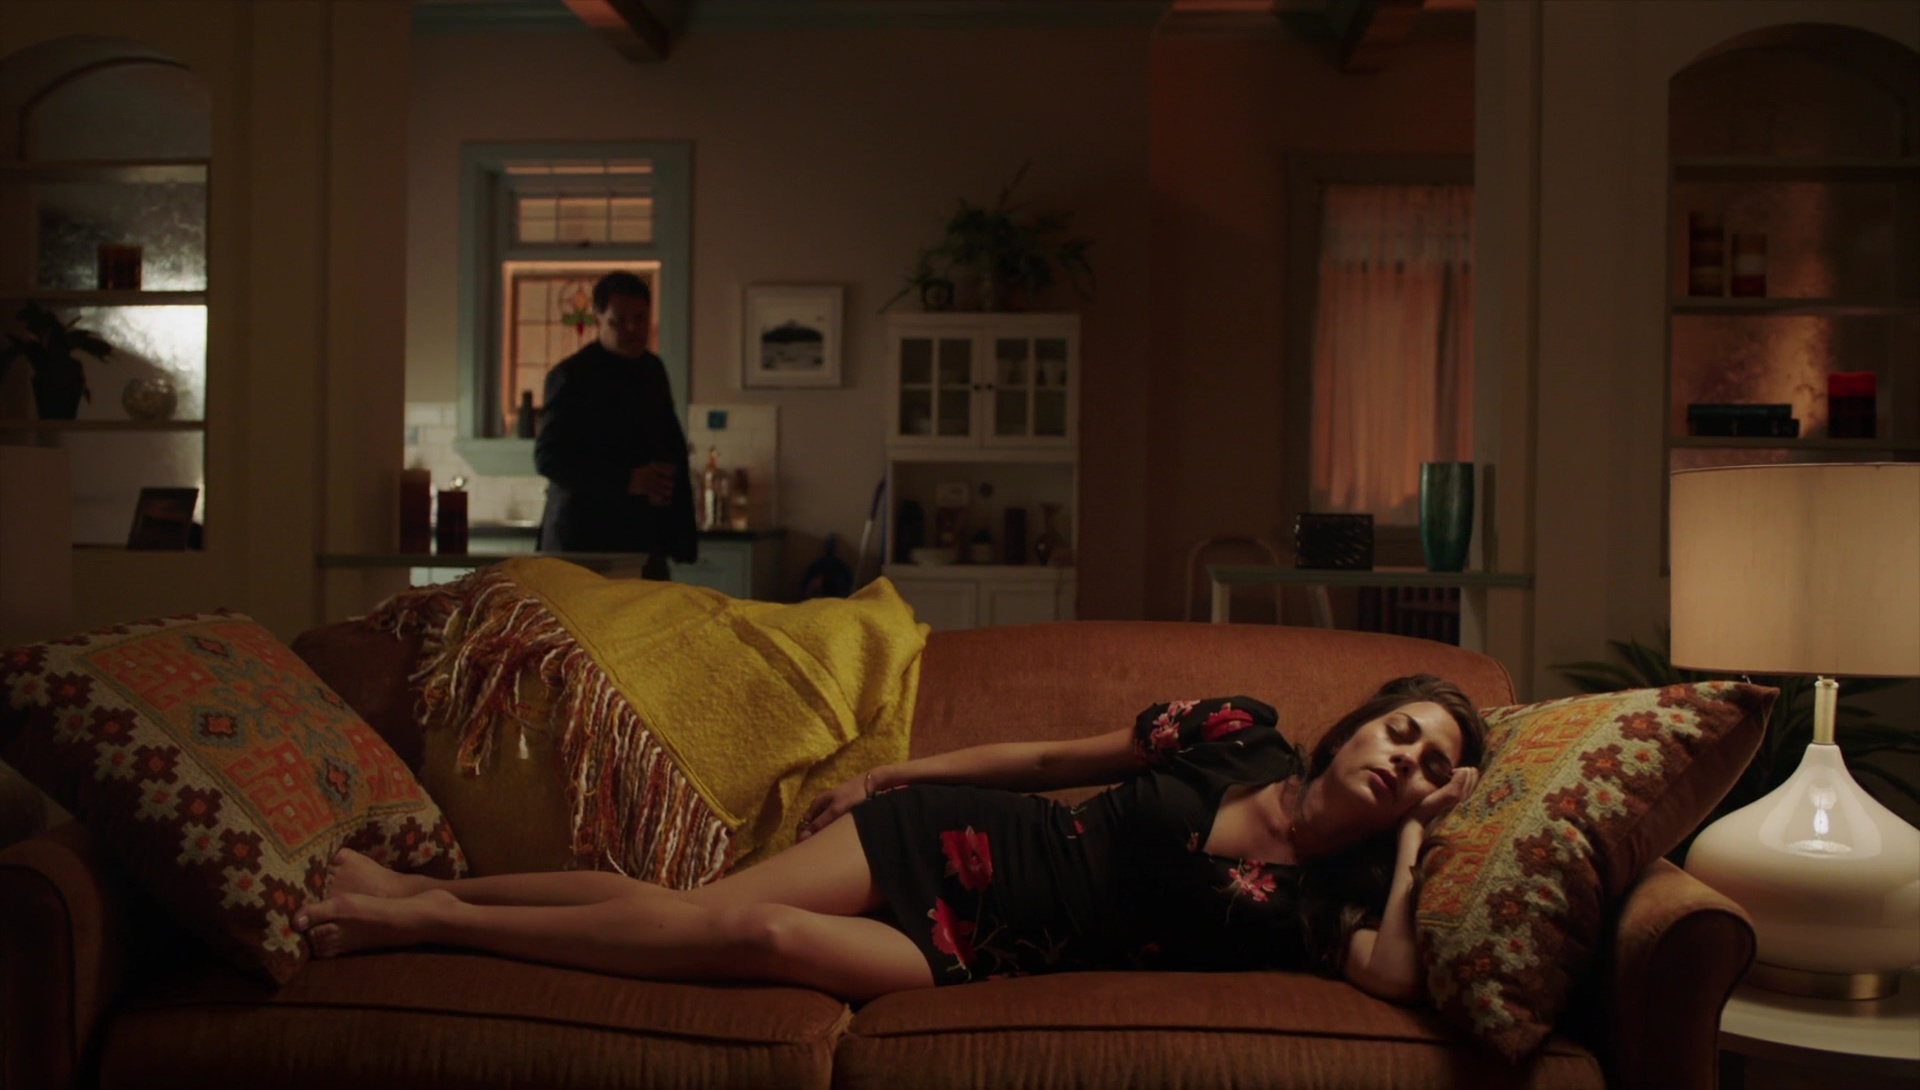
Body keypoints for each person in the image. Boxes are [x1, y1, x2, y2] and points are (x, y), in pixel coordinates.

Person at [294, 675, 1484, 1005]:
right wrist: (898, 772)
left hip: (991, 951)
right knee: (701, 912)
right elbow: (1048, 763)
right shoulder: (1240, 733)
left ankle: (423, 909)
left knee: (759, 937)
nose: (1406, 761)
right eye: (1404, 731)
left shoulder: (1333, 904)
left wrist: (1419, 845)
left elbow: (1395, 974)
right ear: (1361, 721)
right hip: (953, 842)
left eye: (1433, 766)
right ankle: (424, 905)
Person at [534, 271, 697, 579]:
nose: (632, 329)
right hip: (582, 542)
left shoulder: (652, 370)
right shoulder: (571, 376)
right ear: (598, 320)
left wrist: (679, 531)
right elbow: (549, 459)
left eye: (639, 318)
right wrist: (627, 480)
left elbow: (670, 445)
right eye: (619, 321)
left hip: (643, 537)